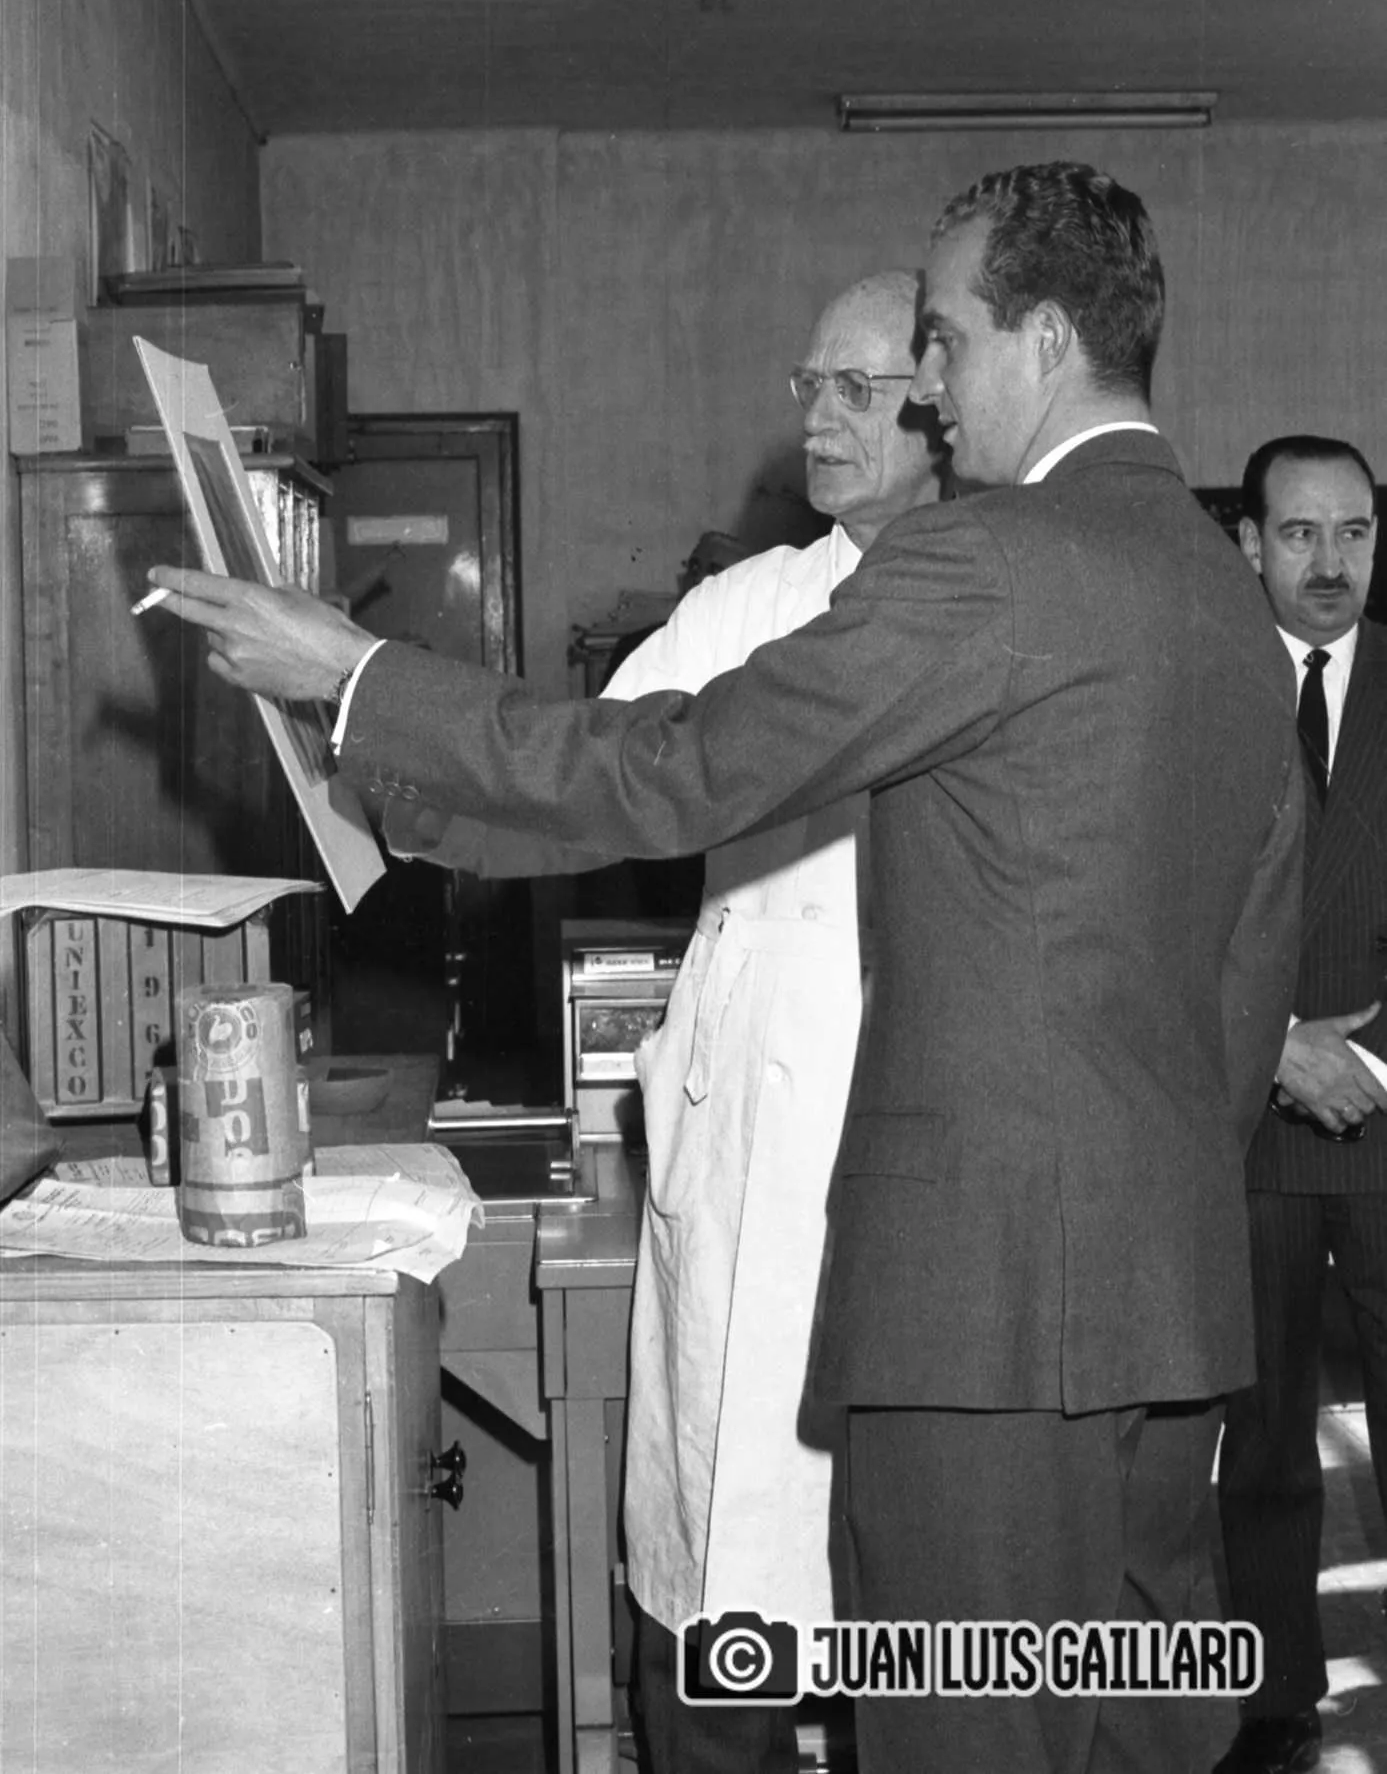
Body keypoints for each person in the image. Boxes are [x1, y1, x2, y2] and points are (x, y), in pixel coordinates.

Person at [151, 161, 1304, 1774]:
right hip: (1164, 1309)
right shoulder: (1226, 597)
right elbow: (1250, 976)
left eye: (941, 340)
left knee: (965, 1739)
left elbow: (676, 765)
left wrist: (359, 676)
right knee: (1128, 1731)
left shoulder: (991, 561)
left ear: (1043, 338)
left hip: (979, 1316)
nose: (927, 387)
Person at [390, 272, 942, 1774]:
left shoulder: (1003, 597)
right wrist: (393, 790)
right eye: (808, 383)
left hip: (919, 1135)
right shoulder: (745, 608)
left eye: (859, 389)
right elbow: (575, 778)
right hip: (746, 1123)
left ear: (947, 403)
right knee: (717, 1568)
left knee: (914, 1603)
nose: (818, 416)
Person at [1215, 437, 1387, 1774]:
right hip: (1248, 1121)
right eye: (1298, 533)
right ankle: (1271, 1702)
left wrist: (1373, 1065)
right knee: (1262, 1439)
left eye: (1354, 533)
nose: (1329, 563)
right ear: (1247, 543)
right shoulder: (1196, 692)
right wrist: (1273, 1047)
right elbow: (1149, 906)